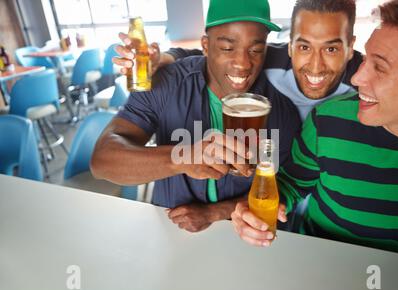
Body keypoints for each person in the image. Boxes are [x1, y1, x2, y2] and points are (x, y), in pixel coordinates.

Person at [231, 0, 398, 257]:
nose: (357, 78)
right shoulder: (327, 118)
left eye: (379, 67)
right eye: (366, 58)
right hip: (316, 256)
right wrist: (254, 210)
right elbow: (291, 184)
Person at [91, 0, 301, 233]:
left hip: (241, 235)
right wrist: (181, 158)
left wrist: (217, 212)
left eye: (256, 50)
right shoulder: (167, 84)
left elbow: (279, 187)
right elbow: (102, 161)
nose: (243, 63)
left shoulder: (280, 111)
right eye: (227, 48)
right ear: (206, 45)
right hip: (170, 229)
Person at [114, 0, 362, 122]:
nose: (315, 65)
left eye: (331, 49)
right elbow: (204, 57)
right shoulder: (269, 58)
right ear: (291, 46)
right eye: (304, 46)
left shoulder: (363, 77)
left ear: (349, 48)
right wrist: (164, 58)